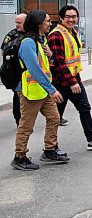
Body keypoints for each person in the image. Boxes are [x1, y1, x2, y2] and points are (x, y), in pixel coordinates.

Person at [12, 10, 69, 170]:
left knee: (54, 118)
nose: (50, 24)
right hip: (30, 92)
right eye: (48, 21)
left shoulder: (40, 40)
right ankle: (19, 156)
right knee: (26, 125)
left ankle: (50, 149)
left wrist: (50, 55)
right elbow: (34, 70)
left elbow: (44, 65)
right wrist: (52, 89)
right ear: (38, 23)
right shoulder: (28, 43)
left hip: (42, 91)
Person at [47, 5, 92, 151]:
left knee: (85, 108)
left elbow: (72, 60)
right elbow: (58, 61)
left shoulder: (72, 32)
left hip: (74, 79)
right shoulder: (56, 34)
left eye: (74, 17)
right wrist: (72, 82)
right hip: (61, 83)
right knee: (56, 116)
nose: (71, 19)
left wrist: (76, 79)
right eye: (68, 17)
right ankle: (50, 148)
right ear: (61, 18)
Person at [1, 13, 26, 126]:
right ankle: (19, 121)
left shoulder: (31, 34)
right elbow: (2, 51)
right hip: (14, 72)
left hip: (25, 72)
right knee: (18, 96)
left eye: (19, 23)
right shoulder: (11, 34)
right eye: (16, 22)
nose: (16, 25)